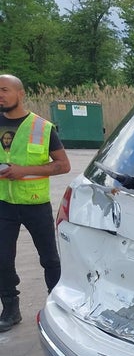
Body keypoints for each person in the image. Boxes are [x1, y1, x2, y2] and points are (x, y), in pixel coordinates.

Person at [0, 74, 71, 332]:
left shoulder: (42, 127)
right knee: (2, 259)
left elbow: (64, 165)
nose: (0, 95)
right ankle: (10, 308)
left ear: (20, 93)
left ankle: (58, 306)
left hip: (35, 204)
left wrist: (24, 171)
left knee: (50, 259)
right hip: (3, 203)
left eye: (4, 90)